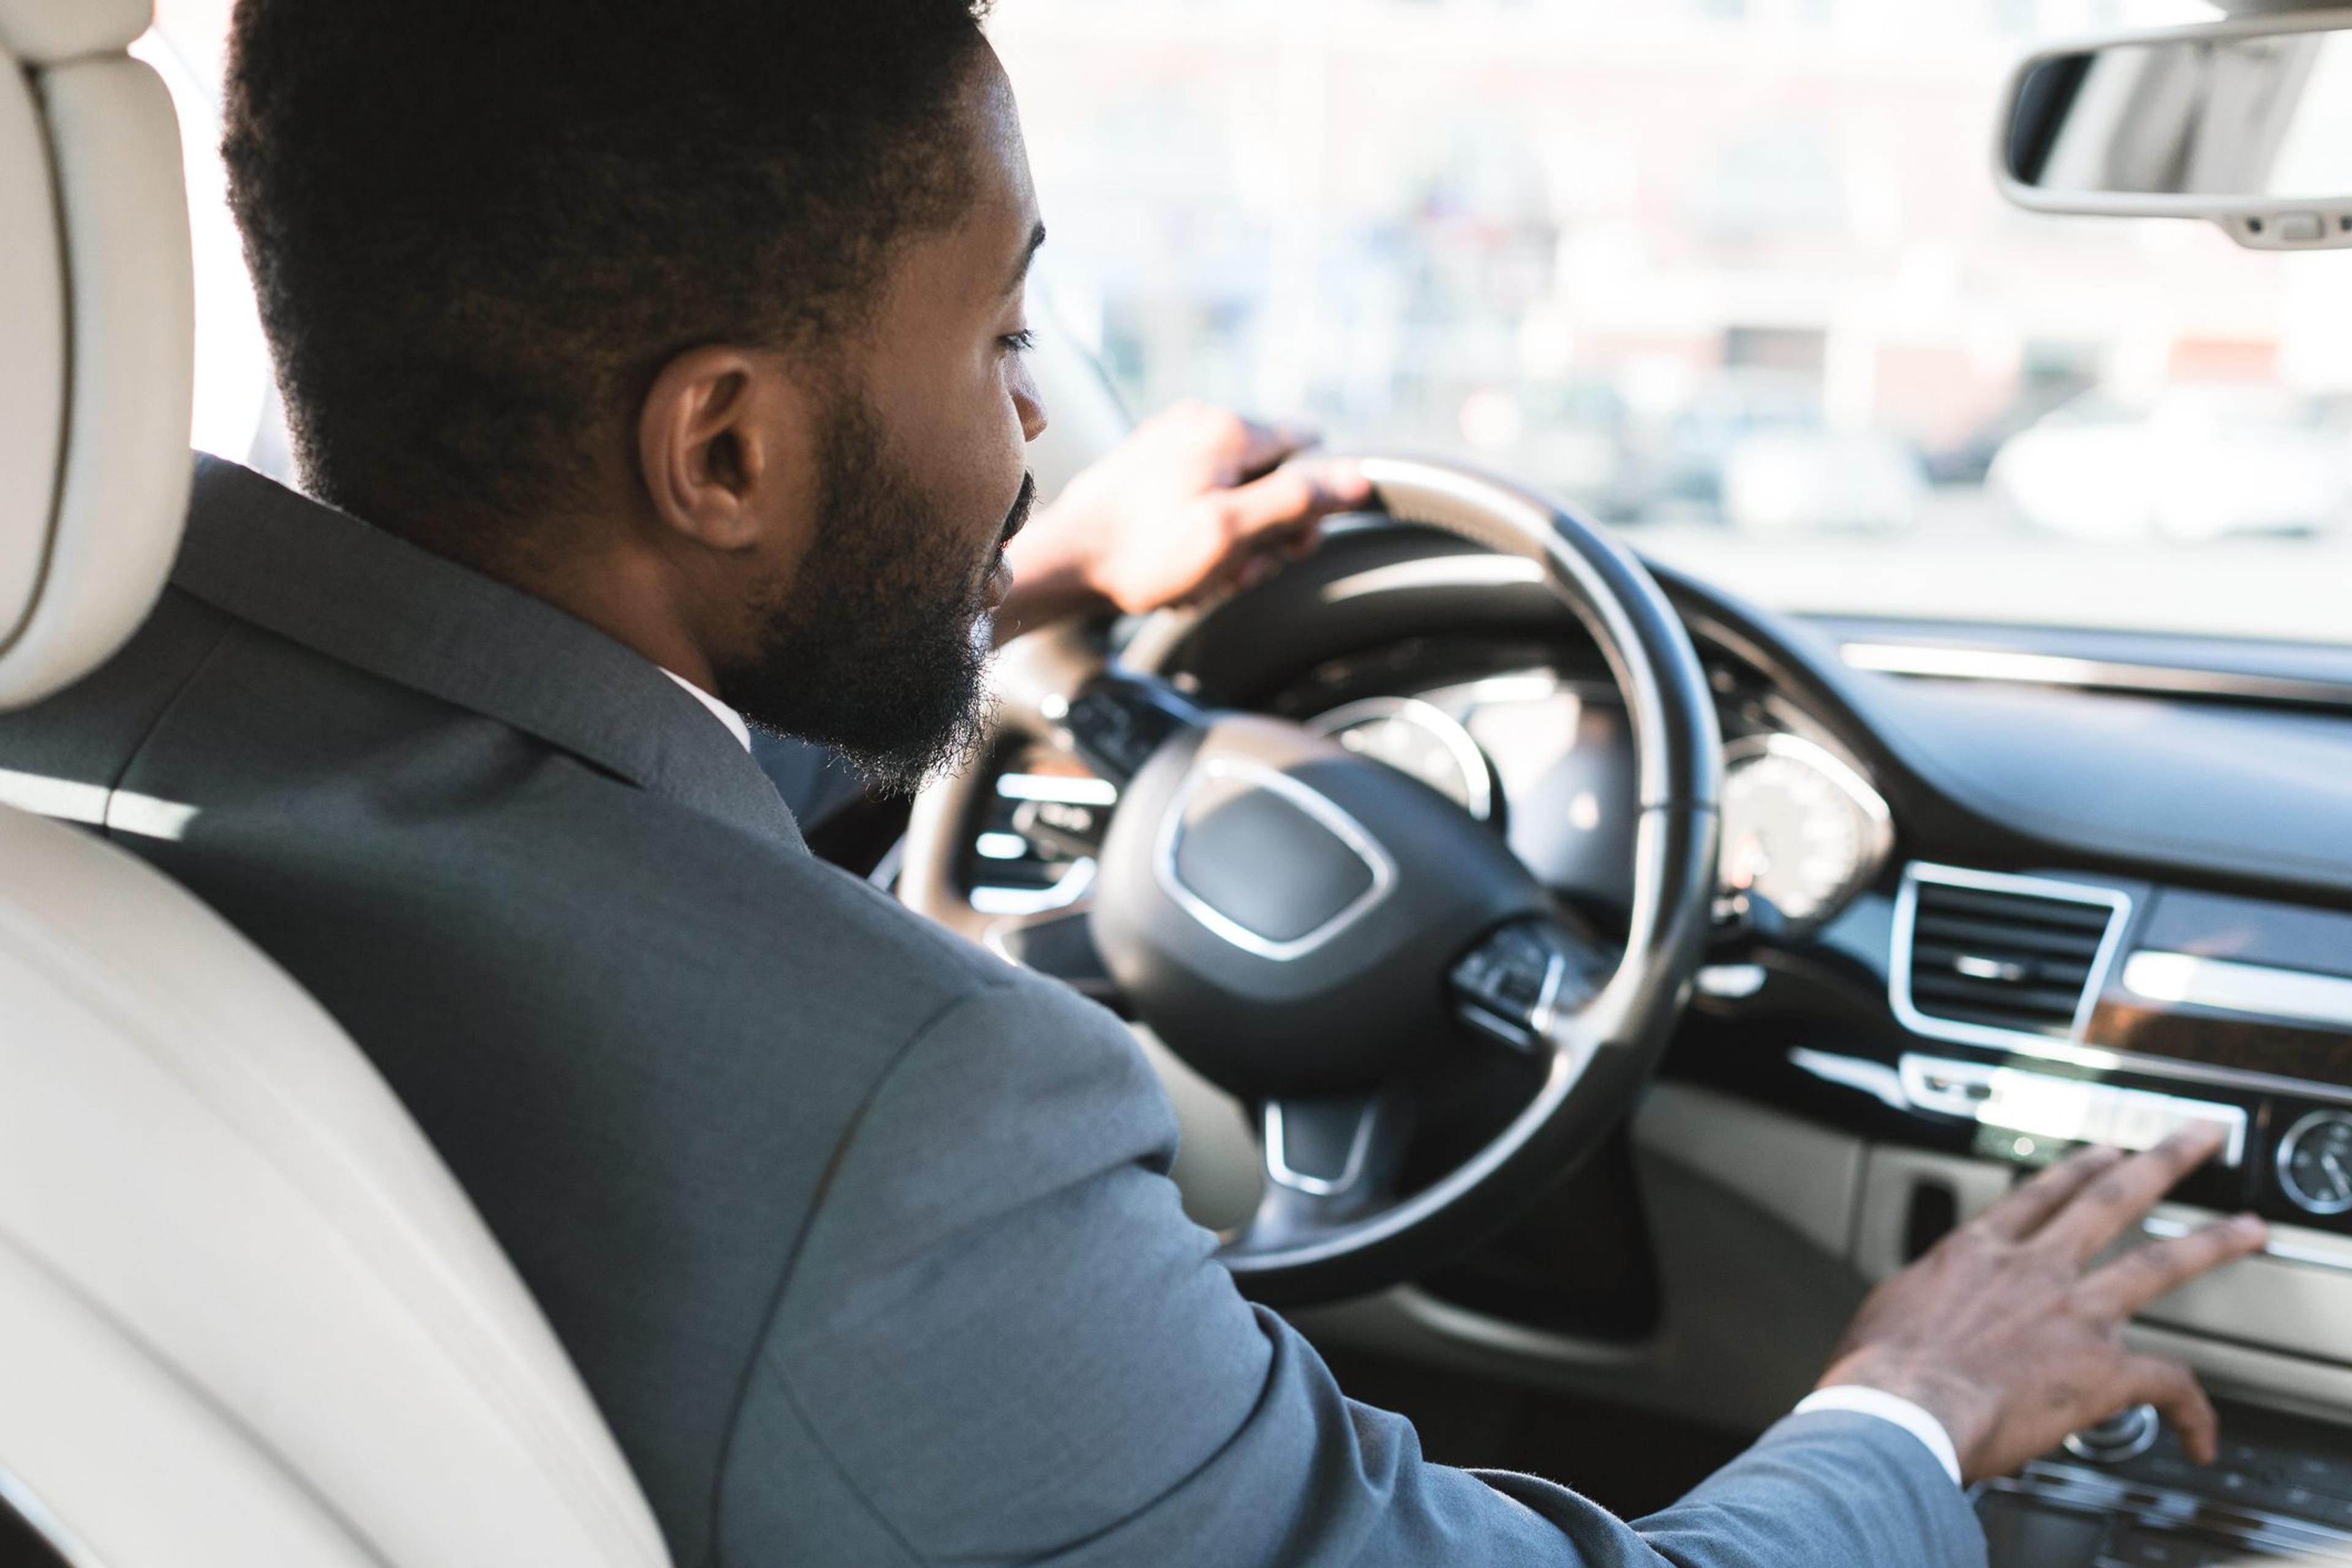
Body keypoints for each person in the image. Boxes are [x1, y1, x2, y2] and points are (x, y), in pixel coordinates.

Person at [0, 2, 2267, 1564]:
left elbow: (557, 799)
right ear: (721, 451)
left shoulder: (92, 714)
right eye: (999, 347)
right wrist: (1910, 1400)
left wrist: (1035, 593)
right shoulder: (907, 1124)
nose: (1020, 439)